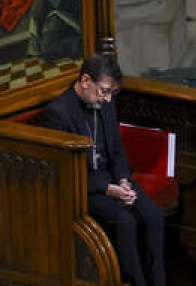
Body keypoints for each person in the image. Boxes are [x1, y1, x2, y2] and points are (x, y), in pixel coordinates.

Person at [40, 55, 164, 286]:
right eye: (104, 91)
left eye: (112, 93)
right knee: (125, 222)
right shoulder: (58, 114)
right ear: (86, 80)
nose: (107, 98)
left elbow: (117, 151)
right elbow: (63, 173)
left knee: (152, 215)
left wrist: (123, 181)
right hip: (83, 187)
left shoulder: (106, 105)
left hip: (112, 179)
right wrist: (108, 189)